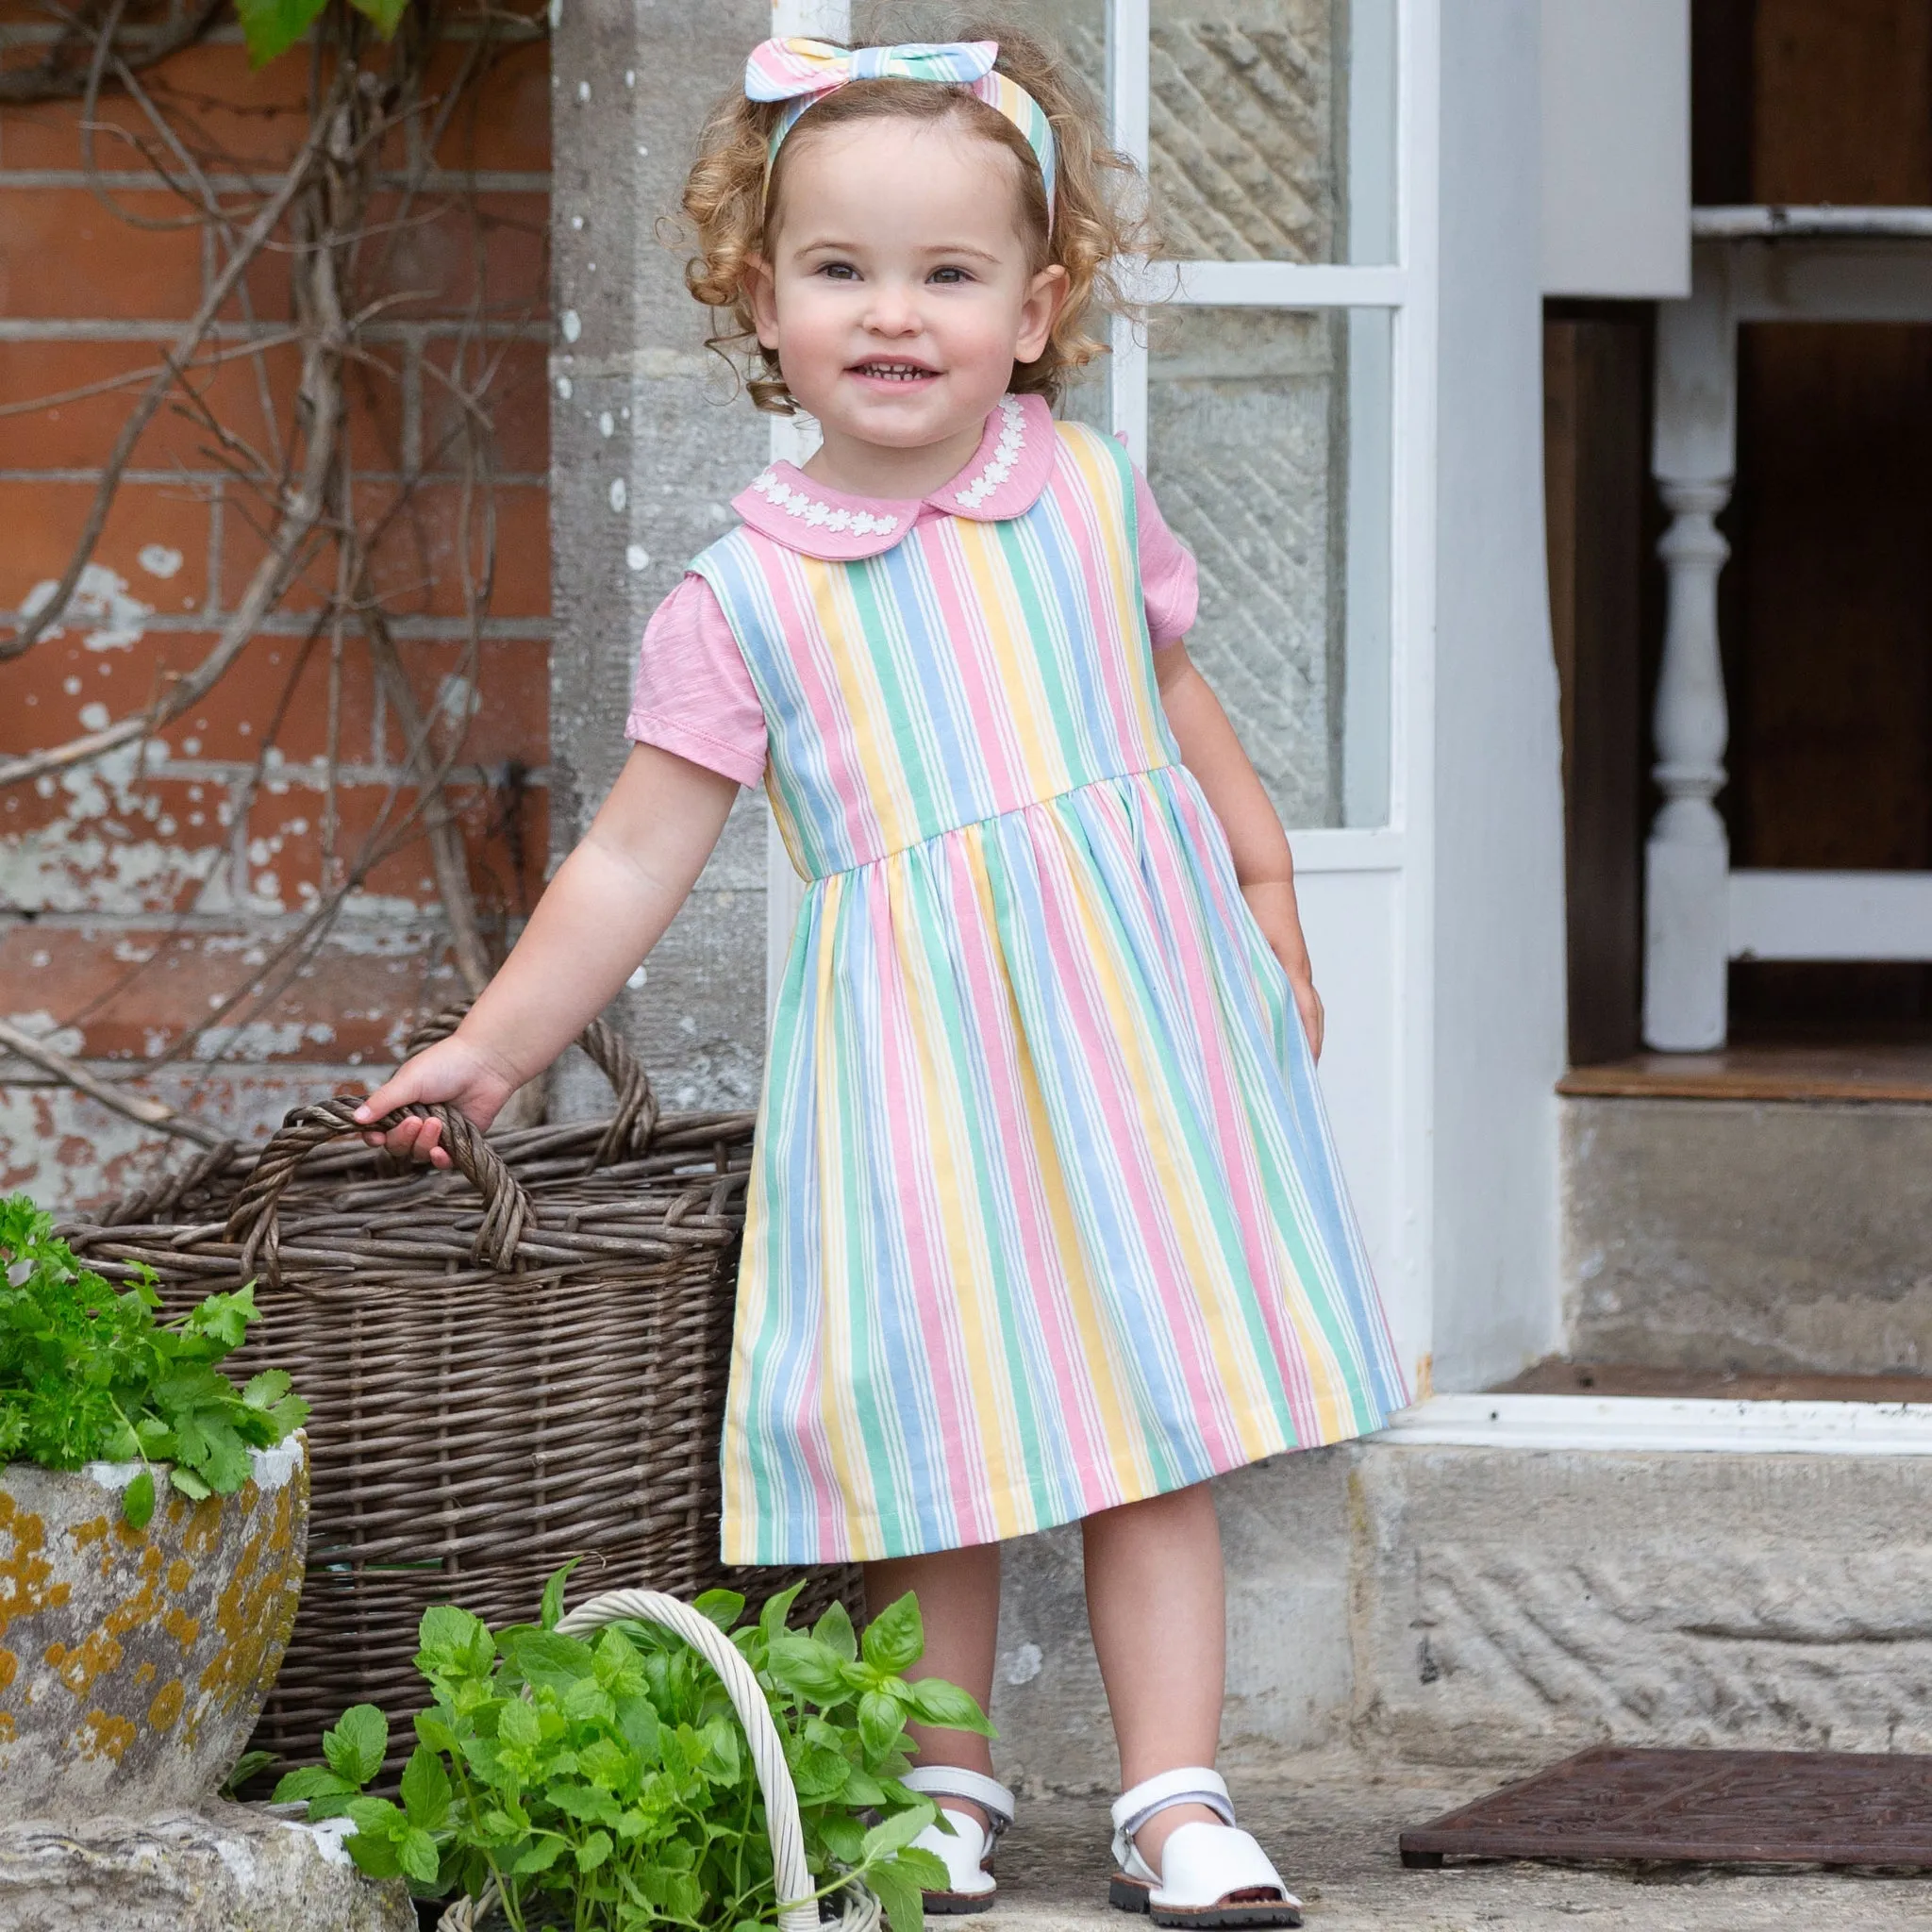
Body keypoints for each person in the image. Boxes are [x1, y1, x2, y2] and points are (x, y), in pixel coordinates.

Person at [357, 25, 1407, 1926]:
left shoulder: (1084, 492)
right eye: (840, 269)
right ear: (760, 299)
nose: (894, 313)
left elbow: (1176, 701)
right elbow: (629, 854)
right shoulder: (740, 597)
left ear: (1038, 303)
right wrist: (493, 1046)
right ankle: (945, 1787)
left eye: (949, 272)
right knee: (934, 1429)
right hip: (913, 1074)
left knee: (1150, 1412)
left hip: (1134, 1036)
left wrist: (1263, 881)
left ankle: (1175, 1789)